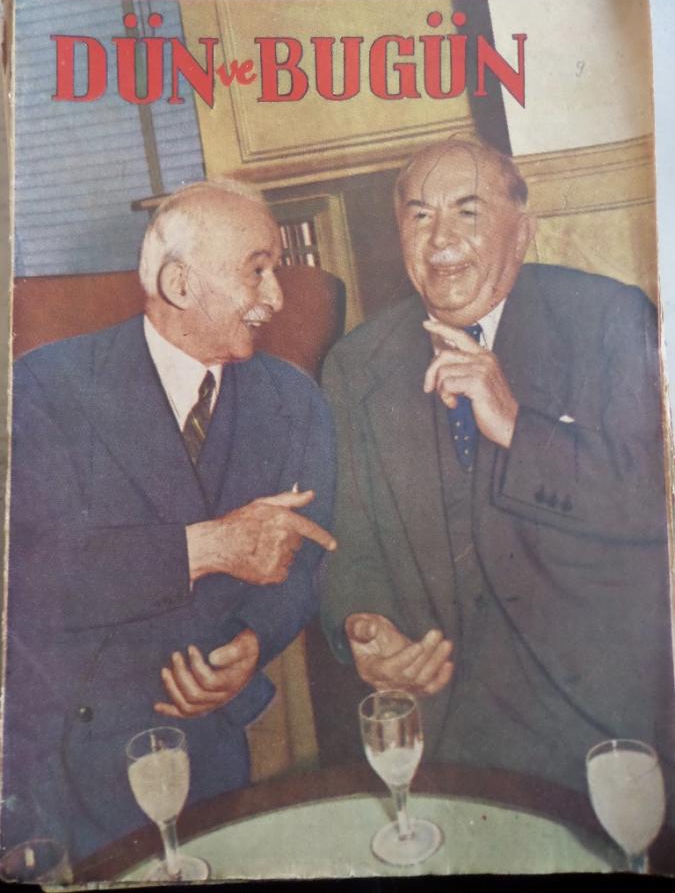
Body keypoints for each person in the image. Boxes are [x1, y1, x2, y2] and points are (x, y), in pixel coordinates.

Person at [321, 138, 672, 794]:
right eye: (419, 215)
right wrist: (363, 624)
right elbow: (348, 539)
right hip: (444, 728)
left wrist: (515, 424)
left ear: (522, 231)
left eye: (468, 211)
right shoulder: (355, 365)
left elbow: (656, 503)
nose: (440, 240)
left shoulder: (608, 319)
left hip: (597, 721)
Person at [3, 180, 336, 860]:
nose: (276, 298)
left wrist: (254, 641)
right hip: (69, 770)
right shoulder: (44, 387)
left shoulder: (294, 401)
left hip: (214, 750)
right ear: (179, 284)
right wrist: (205, 547)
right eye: (257, 271)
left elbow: (307, 558)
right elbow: (28, 579)